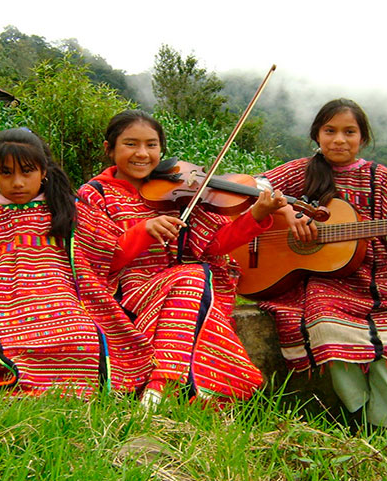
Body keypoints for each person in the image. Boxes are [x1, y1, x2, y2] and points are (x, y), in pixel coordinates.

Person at [256, 98, 387, 429]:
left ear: (364, 138)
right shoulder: (300, 169)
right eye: (330, 131)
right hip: (323, 277)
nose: (339, 140)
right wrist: (285, 211)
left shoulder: (380, 177)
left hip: (377, 274)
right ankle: (359, 410)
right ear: (317, 134)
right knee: (324, 321)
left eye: (349, 132)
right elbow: (255, 186)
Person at [75, 110, 287, 407]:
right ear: (109, 148)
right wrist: (143, 231)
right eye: (130, 144)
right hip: (126, 292)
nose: (142, 154)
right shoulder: (93, 195)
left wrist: (256, 216)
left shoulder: (180, 190)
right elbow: (95, 261)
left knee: (195, 277)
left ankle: (163, 387)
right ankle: (178, 386)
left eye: (151, 145)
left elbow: (213, 245)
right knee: (193, 277)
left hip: (186, 289)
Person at [0, 128, 153, 396]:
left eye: (27, 172)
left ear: (44, 172)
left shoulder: (68, 208)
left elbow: (109, 250)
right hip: (3, 305)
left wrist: (146, 230)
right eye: (6, 173)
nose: (17, 182)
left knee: (84, 335)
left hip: (66, 297)